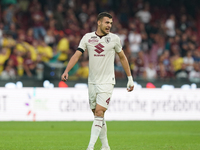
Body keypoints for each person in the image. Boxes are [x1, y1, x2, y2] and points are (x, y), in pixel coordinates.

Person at [61, 12, 134, 150]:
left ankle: (90, 146)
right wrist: (66, 71)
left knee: (99, 112)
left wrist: (130, 78)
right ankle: (105, 146)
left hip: (107, 82)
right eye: (107, 22)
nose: (109, 26)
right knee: (97, 115)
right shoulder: (88, 38)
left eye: (111, 23)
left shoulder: (114, 39)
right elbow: (77, 55)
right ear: (99, 22)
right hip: (92, 82)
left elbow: (123, 58)